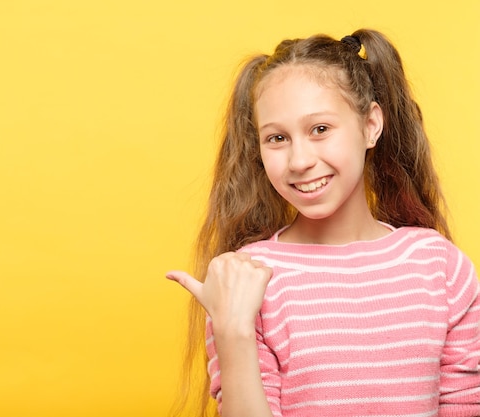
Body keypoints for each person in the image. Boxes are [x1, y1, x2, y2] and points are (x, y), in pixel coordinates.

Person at [166, 29, 480, 417]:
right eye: (277, 138)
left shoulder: (442, 267)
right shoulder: (245, 278)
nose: (299, 161)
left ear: (370, 126)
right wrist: (233, 331)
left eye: (320, 130)